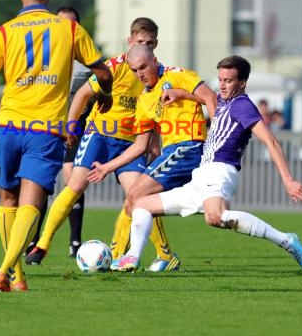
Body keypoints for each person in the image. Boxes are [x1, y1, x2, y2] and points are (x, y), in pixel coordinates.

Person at [0, 0, 113, 292]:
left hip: (7, 126)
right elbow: (103, 72)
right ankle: (4, 271)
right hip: (46, 130)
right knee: (31, 205)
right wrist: (104, 95)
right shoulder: (69, 29)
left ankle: (17, 277)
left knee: (7, 200)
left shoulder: (4, 32)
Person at [116, 55, 302, 272]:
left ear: (242, 83)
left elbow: (271, 141)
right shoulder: (223, 101)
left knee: (215, 217)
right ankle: (132, 258)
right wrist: (179, 93)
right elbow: (204, 99)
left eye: (228, 81)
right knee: (141, 205)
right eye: (220, 79)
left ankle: (286, 240)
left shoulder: (242, 106)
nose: (222, 84)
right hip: (201, 175)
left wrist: (288, 180)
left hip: (221, 170)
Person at [25, 18, 175, 267]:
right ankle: (43, 244)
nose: (145, 46)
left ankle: (166, 255)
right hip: (99, 136)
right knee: (75, 186)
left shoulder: (158, 73)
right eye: (140, 41)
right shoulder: (114, 66)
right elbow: (83, 94)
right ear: (130, 41)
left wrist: (154, 143)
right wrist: (71, 126)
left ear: (156, 44)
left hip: (130, 142)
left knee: (140, 196)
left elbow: (155, 112)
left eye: (150, 43)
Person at [87, 44, 217, 271]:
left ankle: (125, 257)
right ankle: (143, 257)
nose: (140, 74)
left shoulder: (179, 75)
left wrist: (216, 142)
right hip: (172, 153)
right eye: (135, 70)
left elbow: (212, 99)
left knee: (136, 194)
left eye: (143, 67)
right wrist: (107, 167)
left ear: (155, 61)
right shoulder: (144, 100)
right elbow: (140, 146)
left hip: (189, 147)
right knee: (140, 200)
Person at [25, 5, 93, 258]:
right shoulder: (44, 59)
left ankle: (74, 241)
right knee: (40, 184)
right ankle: (33, 240)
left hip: (74, 131)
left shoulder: (86, 63)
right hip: (43, 127)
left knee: (71, 179)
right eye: (61, 22)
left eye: (71, 23)